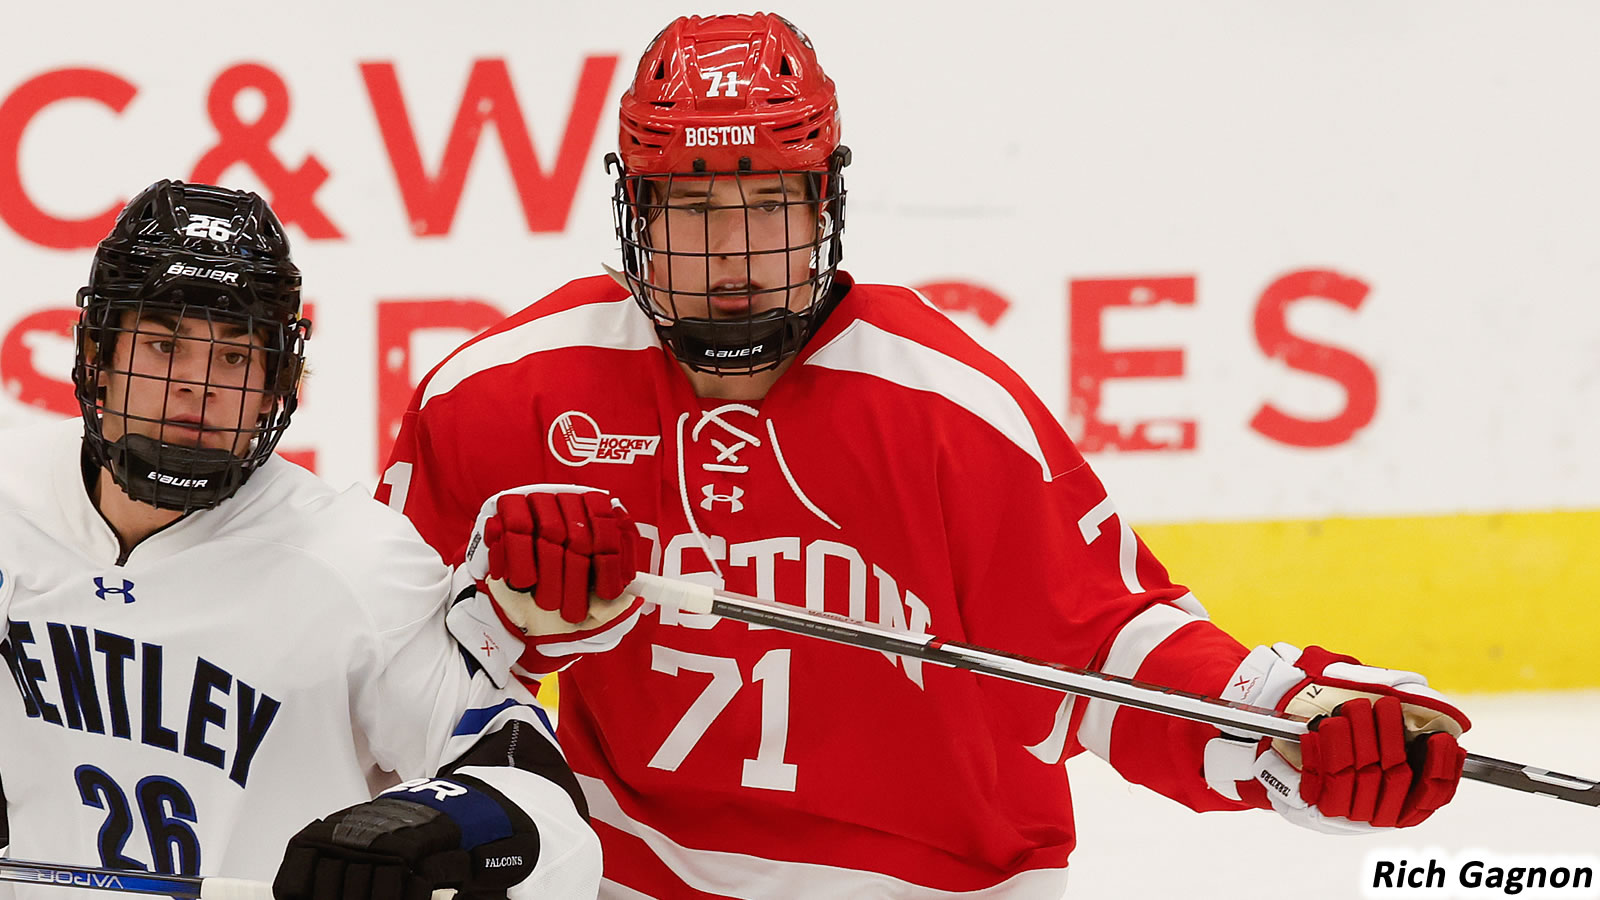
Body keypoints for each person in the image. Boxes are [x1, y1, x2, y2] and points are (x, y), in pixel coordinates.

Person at [381, 14, 1471, 898]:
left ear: (827, 205)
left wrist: (1300, 725)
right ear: (631, 211)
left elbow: (1108, 651)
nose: (733, 257)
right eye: (692, 209)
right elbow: (386, 659)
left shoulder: (948, 409)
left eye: (769, 204)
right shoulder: (502, 394)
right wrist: (507, 601)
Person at [0, 180, 601, 899]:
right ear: (97, 356)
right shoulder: (12, 502)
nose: (199, 385)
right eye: (164, 346)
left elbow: (542, 801)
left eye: (234, 357)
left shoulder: (355, 561)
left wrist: (432, 827)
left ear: (277, 381)